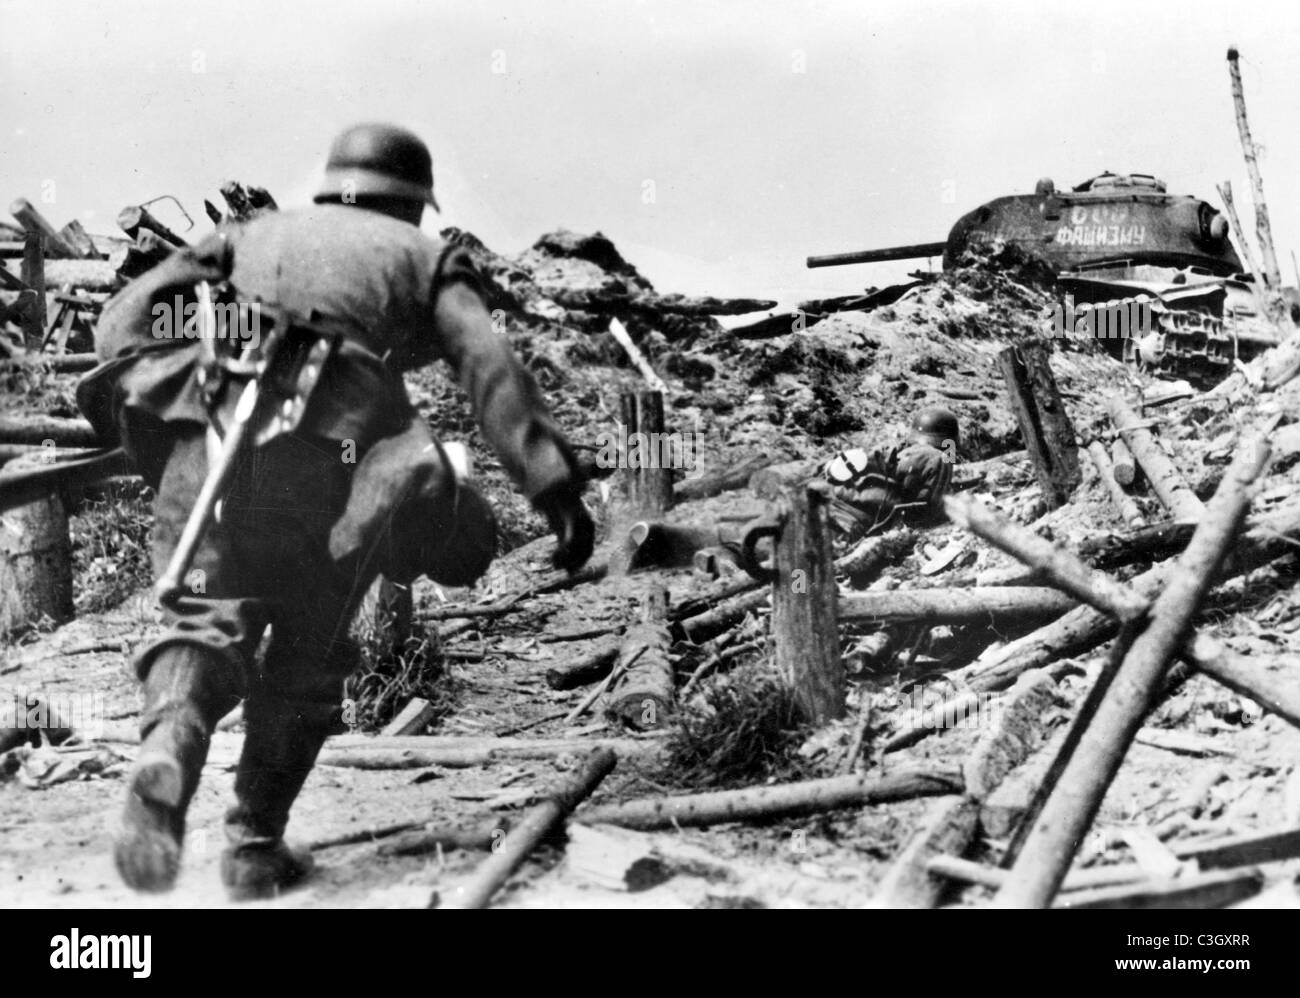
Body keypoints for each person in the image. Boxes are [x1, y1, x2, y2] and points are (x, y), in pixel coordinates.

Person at [78, 123, 594, 900]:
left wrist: (183, 385)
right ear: (415, 203)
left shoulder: (247, 233)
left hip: (211, 442)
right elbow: (488, 364)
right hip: (340, 463)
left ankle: (170, 753)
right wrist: (551, 484)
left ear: (331, 185)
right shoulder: (424, 256)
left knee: (203, 621)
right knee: (308, 653)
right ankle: (252, 847)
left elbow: (124, 323)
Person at [822, 405, 959, 540]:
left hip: (833, 506)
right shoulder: (939, 458)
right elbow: (928, 512)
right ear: (949, 439)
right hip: (860, 526)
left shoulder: (894, 448)